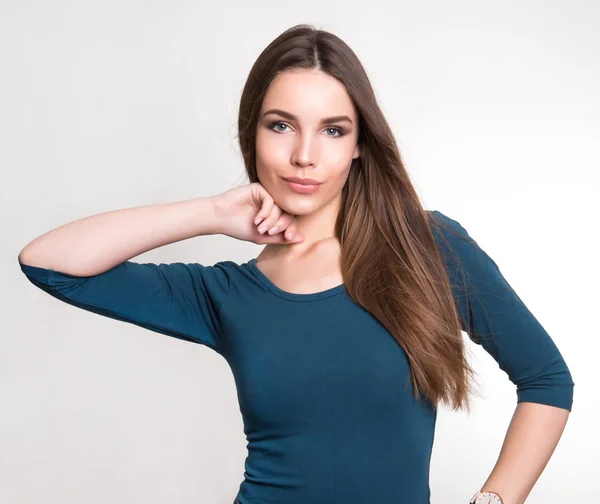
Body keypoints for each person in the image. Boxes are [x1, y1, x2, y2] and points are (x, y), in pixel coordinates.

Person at [18, 24, 573, 504]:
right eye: (280, 125)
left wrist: (494, 498)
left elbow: (547, 380)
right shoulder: (227, 294)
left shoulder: (425, 247)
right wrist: (211, 212)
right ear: (252, 135)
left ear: (359, 144)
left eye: (333, 130)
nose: (305, 154)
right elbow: (49, 263)